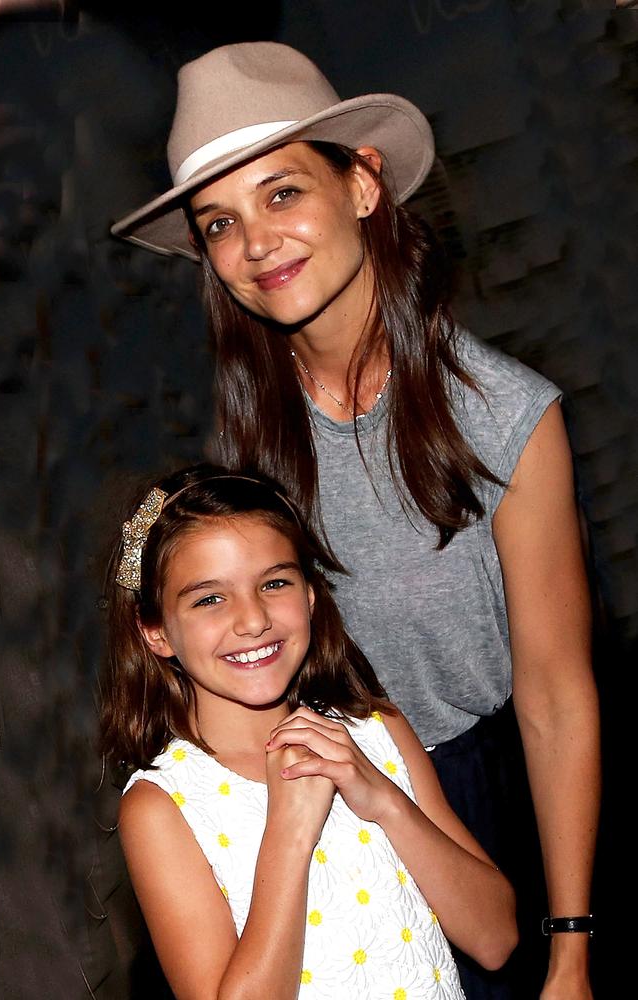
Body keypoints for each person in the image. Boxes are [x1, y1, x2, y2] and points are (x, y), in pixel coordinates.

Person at [111, 43, 600, 999]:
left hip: (466, 805)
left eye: (283, 193)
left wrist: (572, 945)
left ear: (363, 185)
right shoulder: (244, 439)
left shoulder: (508, 418)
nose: (257, 244)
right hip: (282, 795)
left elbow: (555, 695)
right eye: (220, 220)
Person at [100, 464, 517, 1000]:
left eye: (274, 583)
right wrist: (288, 833)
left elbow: (497, 938)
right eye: (209, 598)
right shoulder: (164, 806)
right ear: (155, 631)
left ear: (311, 597)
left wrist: (386, 801)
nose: (253, 620)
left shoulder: (376, 728)